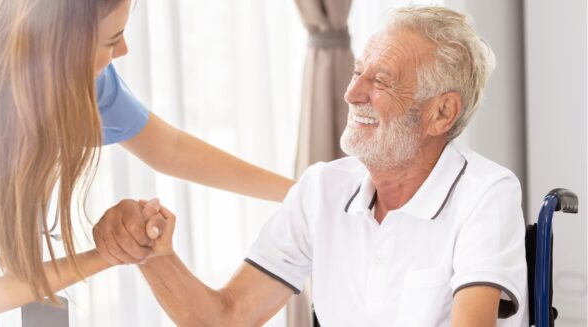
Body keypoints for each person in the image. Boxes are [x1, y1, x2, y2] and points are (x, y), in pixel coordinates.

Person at [0, 0, 293, 325]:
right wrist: (107, 253)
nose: (123, 50)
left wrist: (303, 191)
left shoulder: (79, 81)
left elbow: (171, 150)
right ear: (55, 45)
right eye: (110, 40)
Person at [105, 6, 528, 326]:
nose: (352, 93)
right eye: (358, 72)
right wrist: (154, 256)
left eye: (380, 81)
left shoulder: (487, 192)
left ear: (441, 113)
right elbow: (225, 317)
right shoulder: (322, 188)